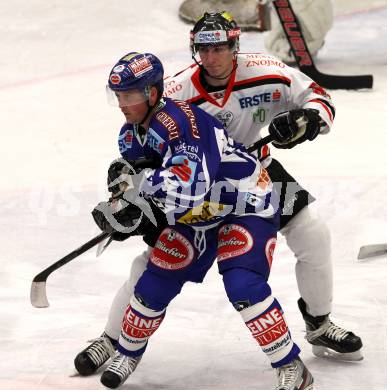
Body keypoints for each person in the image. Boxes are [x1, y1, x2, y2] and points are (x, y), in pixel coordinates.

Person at [75, 9, 362, 383]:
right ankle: (113, 339)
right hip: (191, 184)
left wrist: (305, 120)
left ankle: (319, 323)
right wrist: (130, 194)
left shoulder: (266, 70)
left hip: (247, 172)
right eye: (203, 49)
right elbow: (142, 146)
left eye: (220, 48)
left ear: (235, 46)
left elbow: (318, 97)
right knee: (151, 265)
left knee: (313, 233)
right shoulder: (174, 91)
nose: (211, 58)